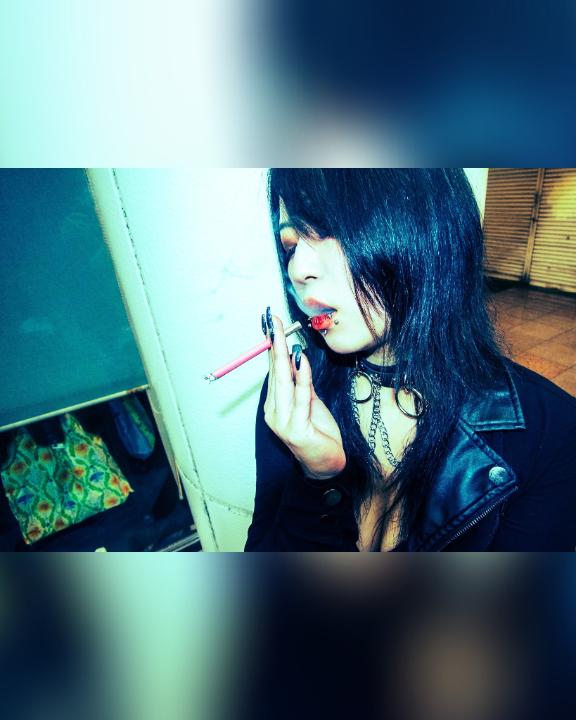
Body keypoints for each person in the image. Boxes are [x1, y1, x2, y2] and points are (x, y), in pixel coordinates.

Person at [244, 169, 576, 551]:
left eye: (330, 230)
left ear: (426, 228)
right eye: (290, 245)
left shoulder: (553, 434)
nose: (299, 269)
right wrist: (318, 480)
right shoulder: (296, 396)